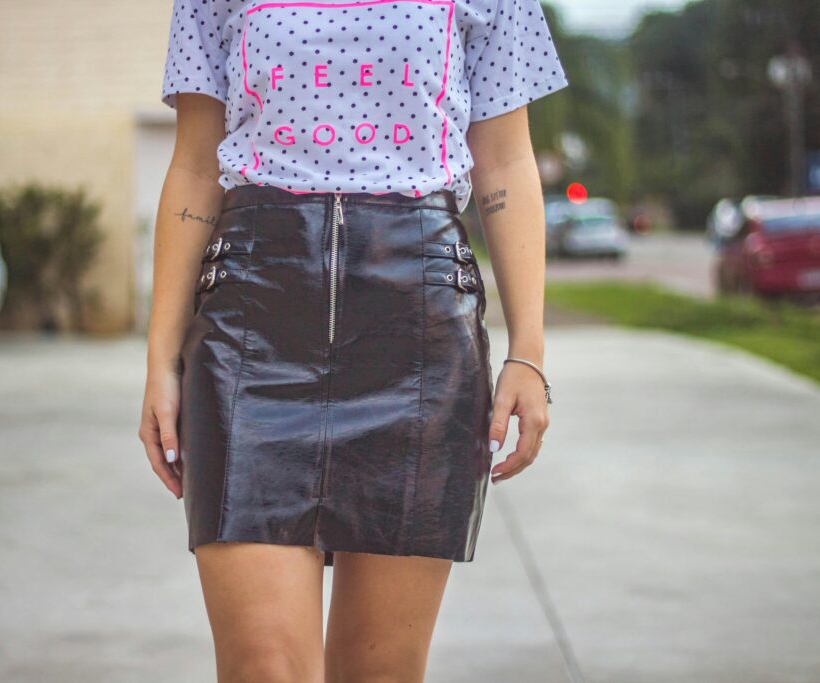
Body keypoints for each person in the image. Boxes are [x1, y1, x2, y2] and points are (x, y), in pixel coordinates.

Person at [139, 0, 568, 678]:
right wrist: (161, 358)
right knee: (263, 667)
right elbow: (194, 165)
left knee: (380, 671)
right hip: (252, 327)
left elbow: (507, 161)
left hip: (418, 333)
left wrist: (528, 351)